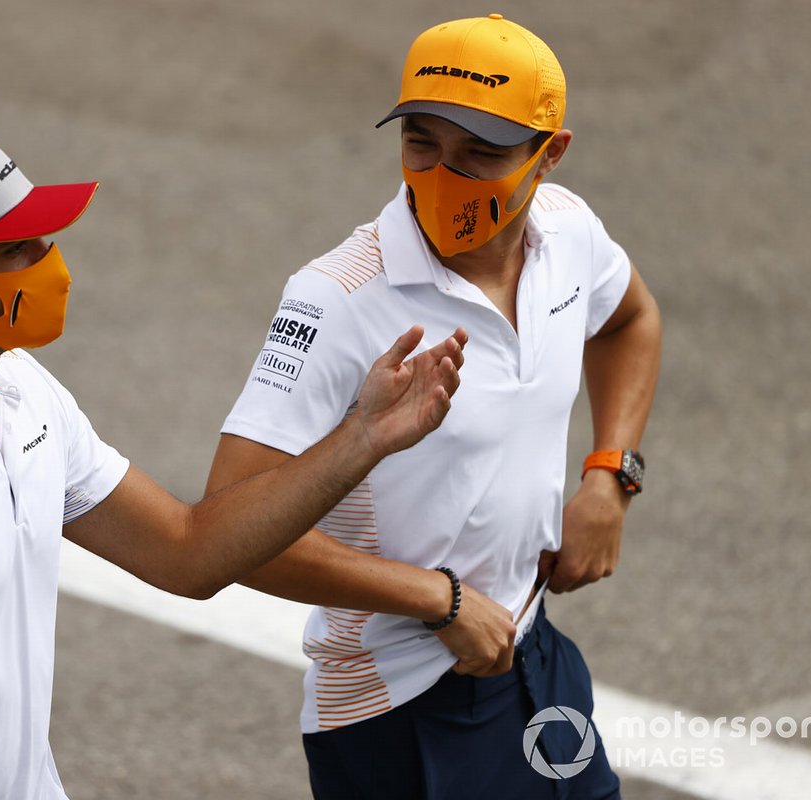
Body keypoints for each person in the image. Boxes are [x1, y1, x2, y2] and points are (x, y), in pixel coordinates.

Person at [0, 126, 468, 799]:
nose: (51, 261)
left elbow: (186, 552)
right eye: (18, 249)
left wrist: (362, 438)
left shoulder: (22, 394)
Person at [206, 14, 661, 799]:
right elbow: (229, 529)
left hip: (534, 658)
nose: (445, 176)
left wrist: (610, 474)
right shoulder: (338, 297)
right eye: (423, 144)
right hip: (398, 710)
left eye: (481, 153)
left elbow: (629, 321)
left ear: (551, 154)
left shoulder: (569, 233)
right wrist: (438, 600)